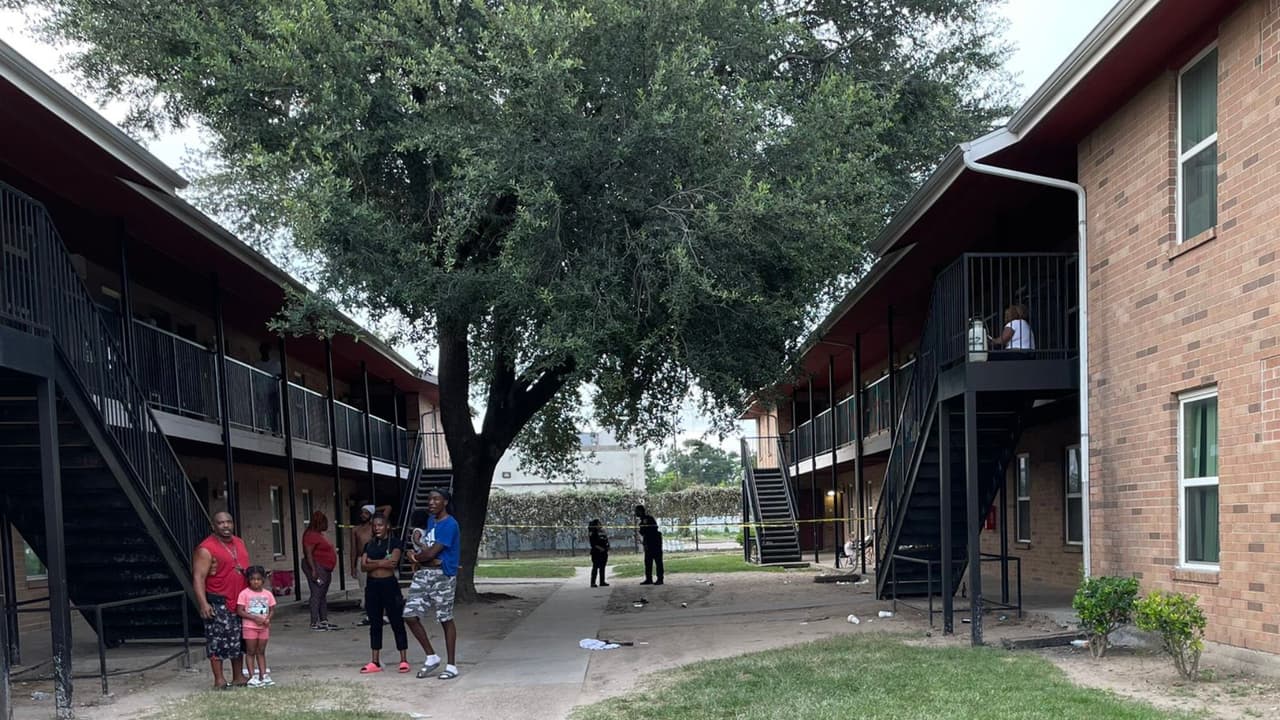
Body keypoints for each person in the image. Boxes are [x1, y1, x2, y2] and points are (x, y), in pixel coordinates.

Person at [405, 489, 461, 680]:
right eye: (429, 499)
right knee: (410, 615)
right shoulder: (431, 521)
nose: (431, 502)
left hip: (442, 576)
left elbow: (432, 553)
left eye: (436, 499)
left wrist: (415, 557)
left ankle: (452, 665)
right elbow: (428, 551)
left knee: (445, 618)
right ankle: (431, 656)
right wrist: (420, 554)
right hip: (424, 573)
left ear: (445, 502)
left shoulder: (450, 524)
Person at [192, 511, 250, 690]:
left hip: (240, 600)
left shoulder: (239, 542)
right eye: (221, 523)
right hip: (219, 601)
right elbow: (198, 577)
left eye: (228, 522)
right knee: (217, 641)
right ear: (213, 526)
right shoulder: (206, 548)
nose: (225, 526)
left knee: (239, 639)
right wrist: (203, 603)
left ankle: (239, 676)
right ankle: (219, 679)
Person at [360, 513, 410, 673]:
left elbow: (392, 563)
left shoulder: (395, 542)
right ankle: (375, 661)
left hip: (389, 585)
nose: (377, 528)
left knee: (396, 621)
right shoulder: (369, 544)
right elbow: (363, 566)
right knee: (375, 622)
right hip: (372, 585)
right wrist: (381, 562)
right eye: (374, 526)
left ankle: (403, 659)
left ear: (387, 526)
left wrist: (372, 563)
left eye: (380, 525)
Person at [351, 503, 393, 625]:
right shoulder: (356, 529)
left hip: (375, 558)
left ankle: (384, 614)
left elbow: (388, 507)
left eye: (366, 513)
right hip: (361, 559)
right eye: (362, 512)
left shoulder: (375, 526)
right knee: (365, 588)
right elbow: (353, 549)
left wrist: (374, 509)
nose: (363, 515)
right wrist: (353, 566)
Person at [236, 566, 277, 687]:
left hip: (264, 627)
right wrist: (254, 618)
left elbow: (272, 609)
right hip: (249, 627)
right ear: (248, 580)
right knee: (250, 651)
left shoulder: (268, 594)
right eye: (253, 579)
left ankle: (263, 675)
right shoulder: (244, 594)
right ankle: (252, 676)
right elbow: (240, 610)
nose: (256, 582)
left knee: (261, 651)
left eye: (258, 579)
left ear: (263, 580)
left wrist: (267, 619)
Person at [302, 510, 339, 631]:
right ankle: (314, 622)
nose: (326, 526)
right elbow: (308, 553)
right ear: (319, 523)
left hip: (324, 567)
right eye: (324, 523)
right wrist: (313, 570)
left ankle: (323, 620)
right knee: (317, 593)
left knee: (322, 594)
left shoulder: (318, 535)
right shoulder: (311, 535)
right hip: (317, 567)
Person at [635, 505, 663, 585]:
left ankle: (660, 579)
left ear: (640, 511)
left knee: (658, 561)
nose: (636, 513)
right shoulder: (642, 520)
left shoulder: (648, 519)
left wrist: (643, 530)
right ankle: (649, 579)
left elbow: (651, 529)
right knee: (648, 561)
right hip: (648, 542)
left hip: (654, 542)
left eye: (637, 511)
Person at [589, 519, 610, 588]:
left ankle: (602, 581)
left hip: (604, 552)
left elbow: (606, 539)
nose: (600, 525)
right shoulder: (593, 532)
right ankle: (593, 582)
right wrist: (600, 548)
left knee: (602, 567)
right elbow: (593, 543)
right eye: (598, 524)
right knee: (595, 567)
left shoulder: (602, 531)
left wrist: (607, 547)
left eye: (600, 523)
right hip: (596, 552)